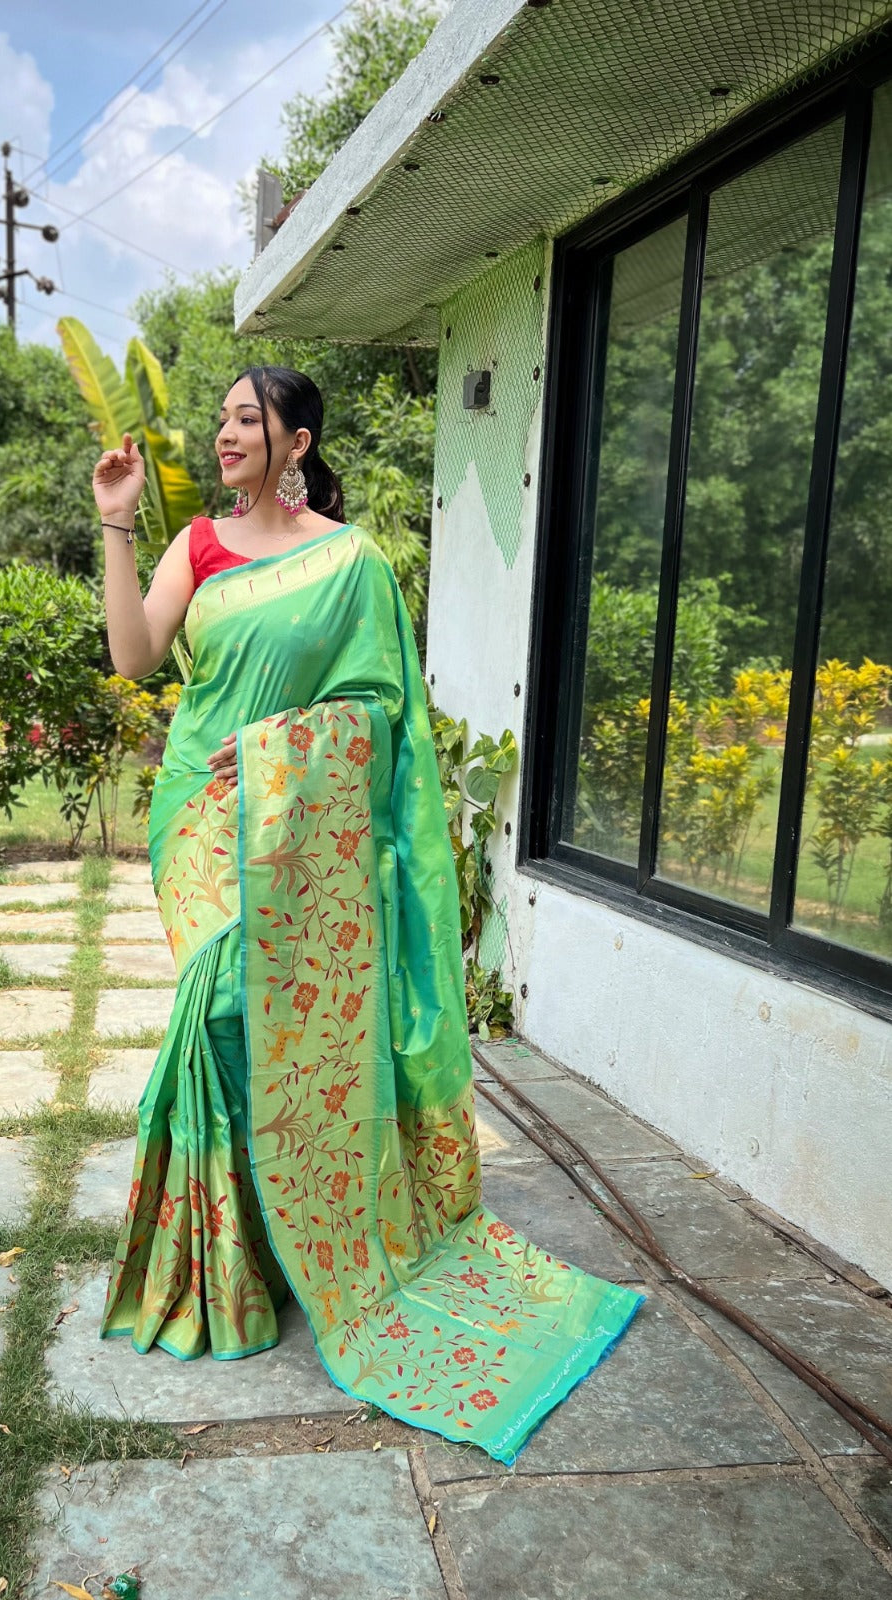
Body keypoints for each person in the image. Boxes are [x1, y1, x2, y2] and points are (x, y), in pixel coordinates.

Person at [90, 364, 642, 1462]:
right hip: (198, 815)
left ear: (297, 441)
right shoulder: (194, 545)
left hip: (297, 829)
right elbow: (134, 658)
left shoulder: (349, 563)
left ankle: (290, 1236)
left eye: (249, 418)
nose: (225, 433)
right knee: (217, 1002)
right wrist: (114, 524)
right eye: (223, 417)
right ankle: (227, 1260)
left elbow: (377, 714)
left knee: (265, 1018)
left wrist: (289, 769)